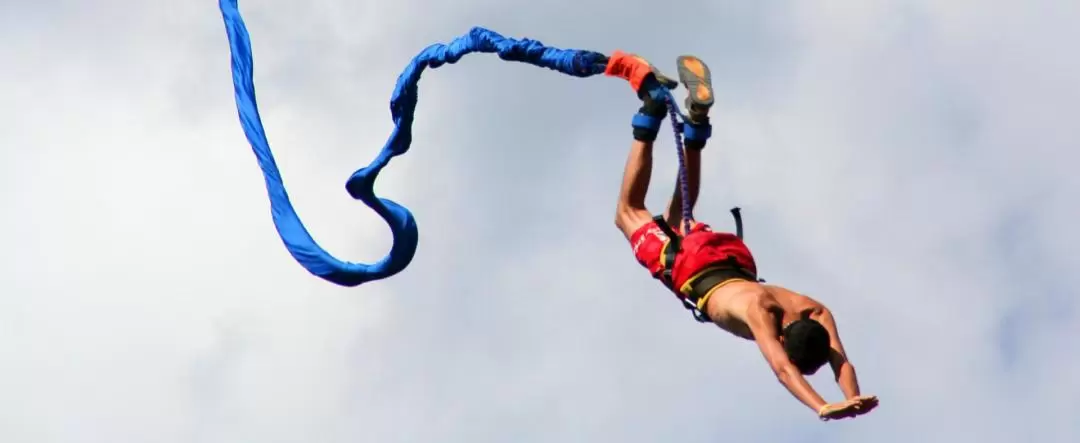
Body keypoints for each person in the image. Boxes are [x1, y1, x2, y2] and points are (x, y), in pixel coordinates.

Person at [603, 51, 879, 421]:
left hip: (732, 259)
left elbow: (840, 359)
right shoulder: (760, 314)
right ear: (783, 340)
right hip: (697, 271)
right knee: (627, 213)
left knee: (677, 218)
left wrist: (853, 397)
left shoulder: (814, 310)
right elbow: (783, 370)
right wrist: (823, 406)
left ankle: (696, 131)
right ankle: (651, 108)